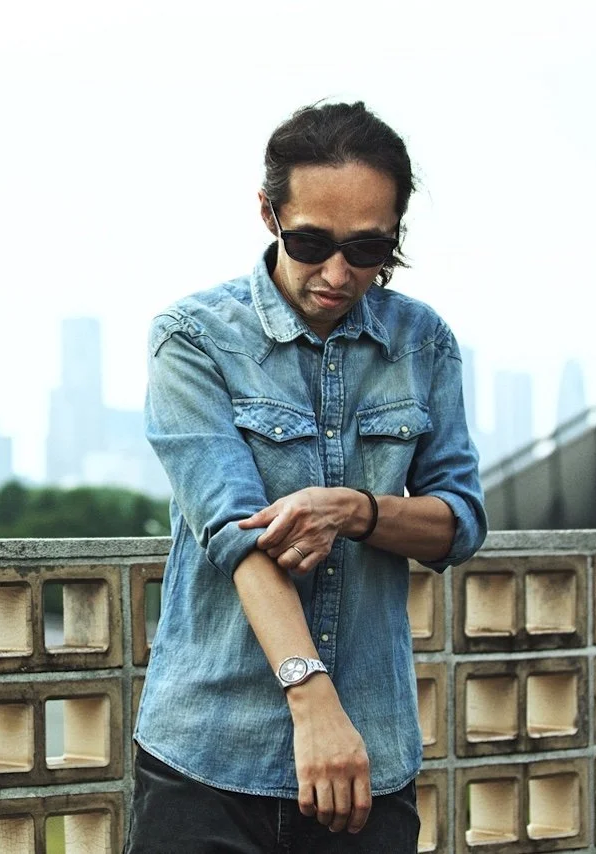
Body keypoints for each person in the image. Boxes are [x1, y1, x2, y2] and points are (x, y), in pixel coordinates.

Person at [126, 101, 487, 853]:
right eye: (312, 242)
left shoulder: (423, 343)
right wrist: (311, 697)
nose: (337, 273)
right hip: (209, 756)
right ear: (269, 213)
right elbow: (236, 534)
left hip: (368, 754)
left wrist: (356, 511)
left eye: (367, 248)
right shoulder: (194, 338)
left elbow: (459, 524)